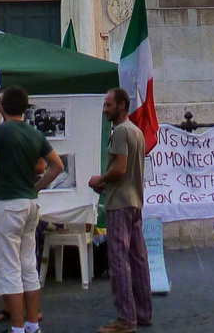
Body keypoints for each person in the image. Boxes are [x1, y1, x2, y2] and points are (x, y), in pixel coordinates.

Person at [0, 86, 64, 333]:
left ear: (2, 107)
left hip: (8, 202)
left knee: (9, 268)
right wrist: (37, 187)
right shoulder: (35, 133)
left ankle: (17, 328)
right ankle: (31, 325)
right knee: (29, 265)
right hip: (30, 202)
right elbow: (56, 166)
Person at [87, 87, 152, 333]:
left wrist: (99, 180)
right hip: (134, 201)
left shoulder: (121, 132)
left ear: (121, 106)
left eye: (108, 105)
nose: (105, 109)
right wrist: (106, 184)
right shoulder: (136, 132)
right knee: (138, 258)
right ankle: (143, 312)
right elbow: (128, 172)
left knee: (119, 259)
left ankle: (125, 318)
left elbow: (120, 169)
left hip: (120, 204)